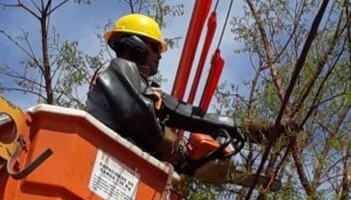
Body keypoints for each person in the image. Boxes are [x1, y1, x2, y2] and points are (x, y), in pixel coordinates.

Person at [86, 13, 243, 174]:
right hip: (103, 159)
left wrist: (238, 126)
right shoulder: (117, 69)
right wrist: (176, 149)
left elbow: (182, 113)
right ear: (135, 44)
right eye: (155, 47)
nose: (159, 56)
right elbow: (138, 116)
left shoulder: (143, 88)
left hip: (118, 164)